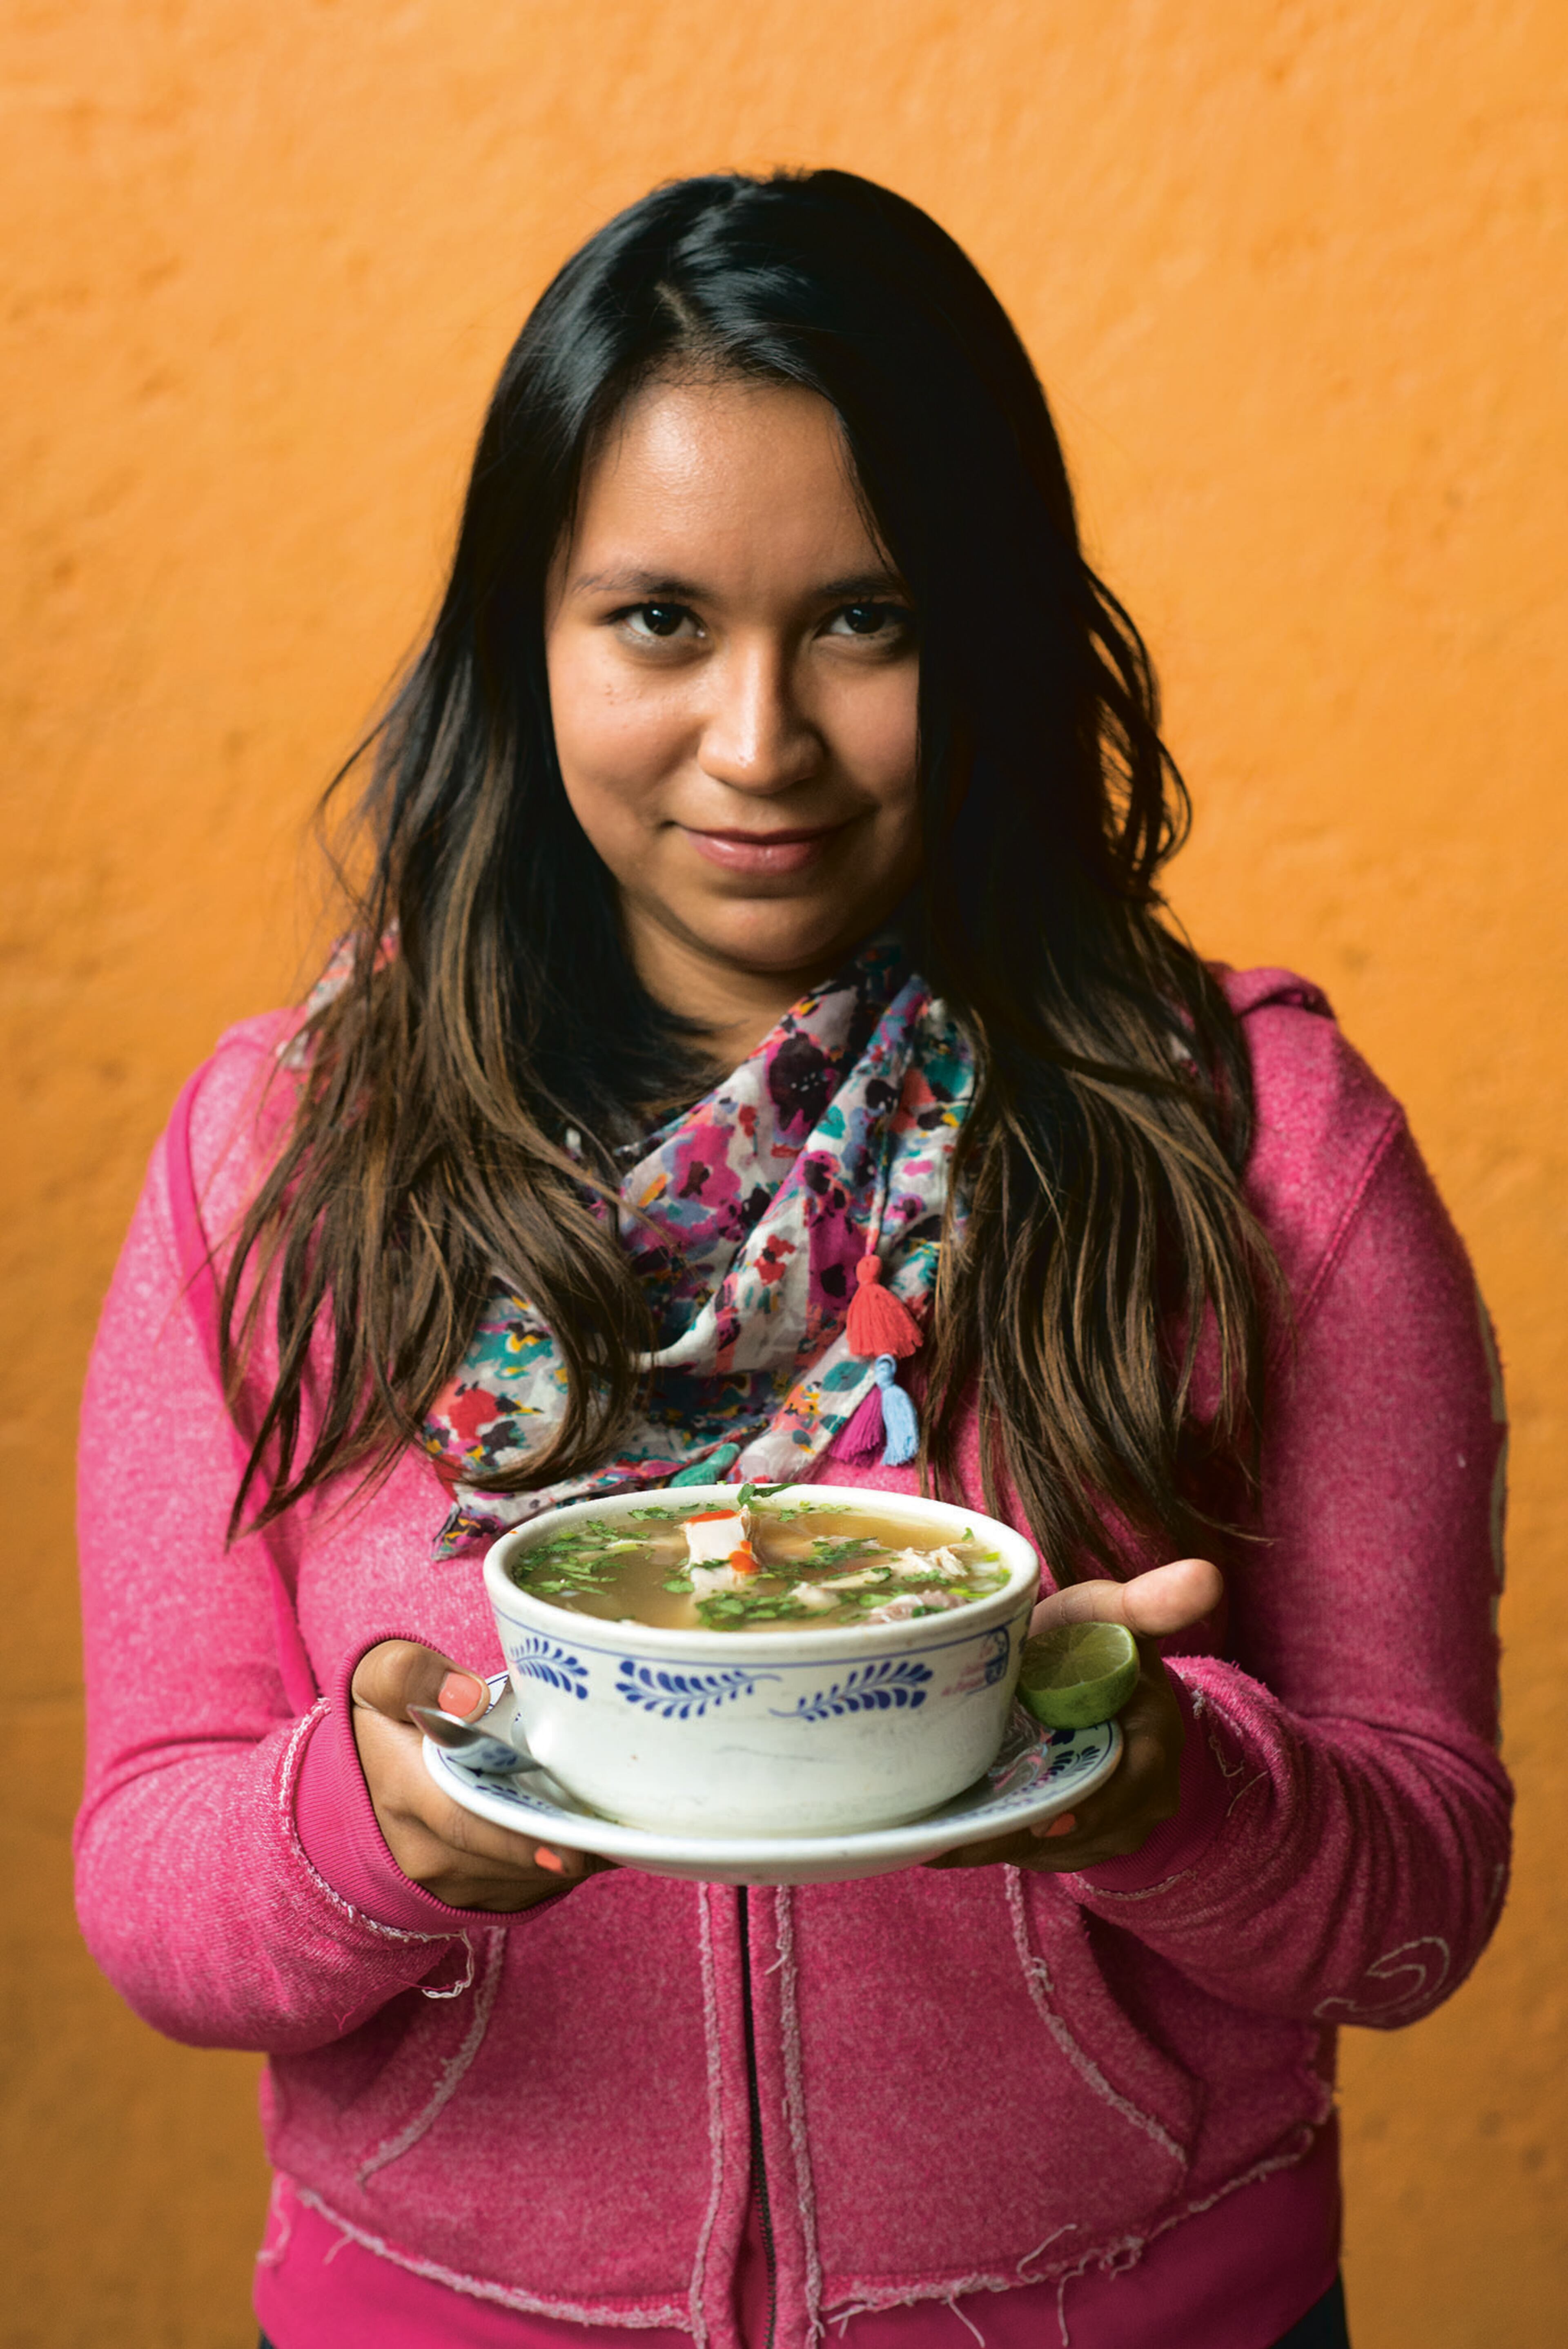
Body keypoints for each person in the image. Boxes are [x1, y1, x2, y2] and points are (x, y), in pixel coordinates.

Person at [74, 170, 1510, 2349]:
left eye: (868, 619)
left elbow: (1420, 1904)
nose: (762, 743)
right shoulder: (284, 1159)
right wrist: (356, 1828)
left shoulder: (1260, 1145)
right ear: (525, 633)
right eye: (659, 619)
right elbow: (148, 1880)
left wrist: (1169, 1784)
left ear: (997, 630)